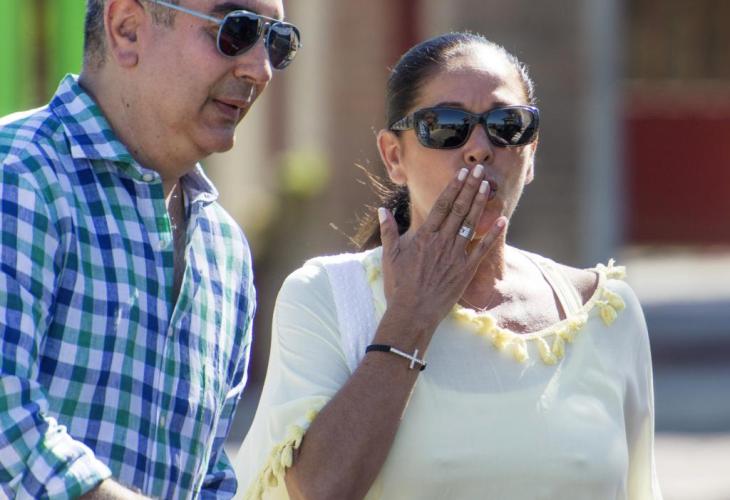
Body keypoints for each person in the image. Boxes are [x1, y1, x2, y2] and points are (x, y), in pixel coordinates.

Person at [235, 32, 662, 500]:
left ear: (531, 155)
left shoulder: (605, 311)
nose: (479, 148)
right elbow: (318, 490)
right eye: (446, 126)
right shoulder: (327, 297)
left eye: (507, 125)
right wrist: (411, 317)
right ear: (394, 156)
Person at [0, 0, 301, 498]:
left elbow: (209, 477)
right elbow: (7, 423)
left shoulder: (225, 250)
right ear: (127, 28)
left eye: (277, 41)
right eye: (237, 30)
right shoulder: (17, 174)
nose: (260, 68)